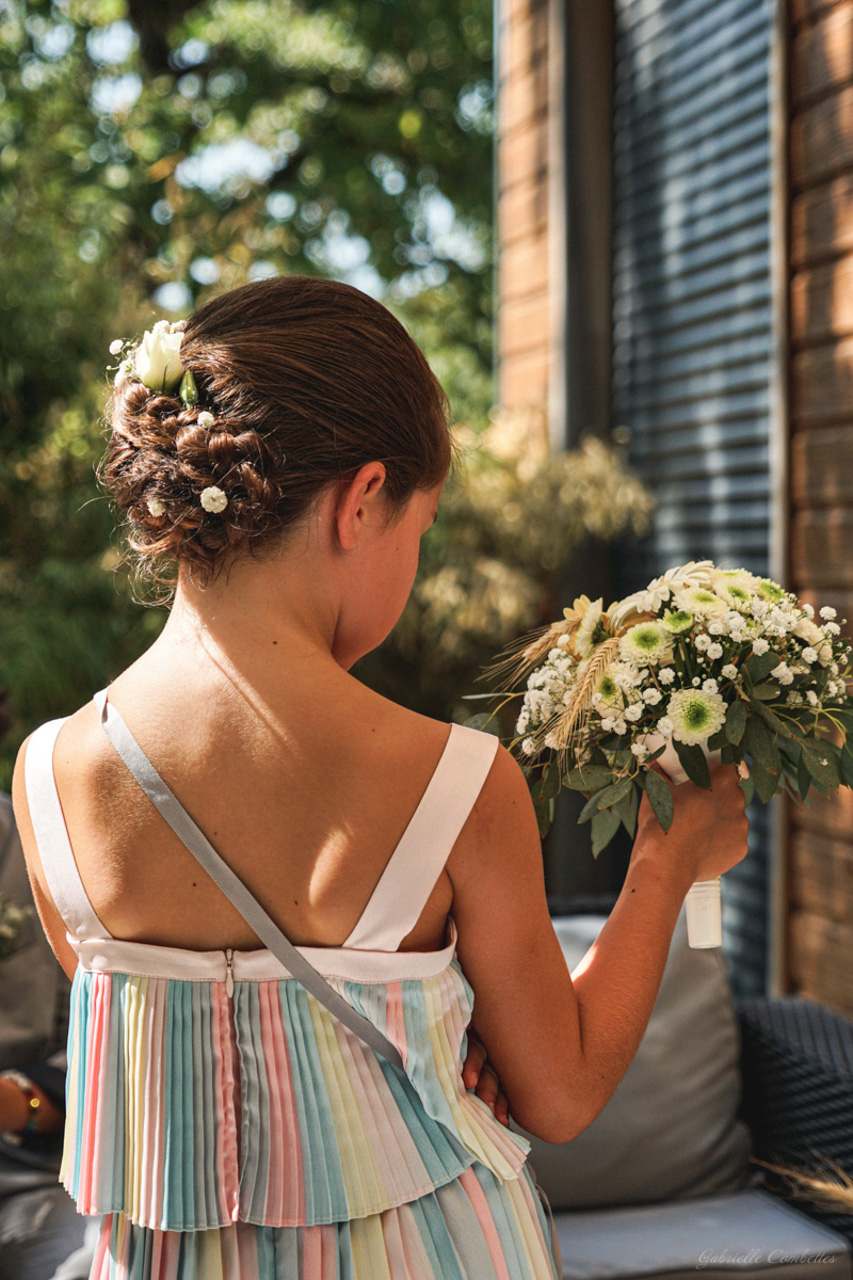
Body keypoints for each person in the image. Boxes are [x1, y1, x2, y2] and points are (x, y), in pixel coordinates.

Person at [12, 275, 748, 1280]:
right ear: (363, 502)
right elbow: (561, 1092)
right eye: (421, 526)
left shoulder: (51, 774)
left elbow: (179, 1060)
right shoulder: (453, 781)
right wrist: (669, 857)